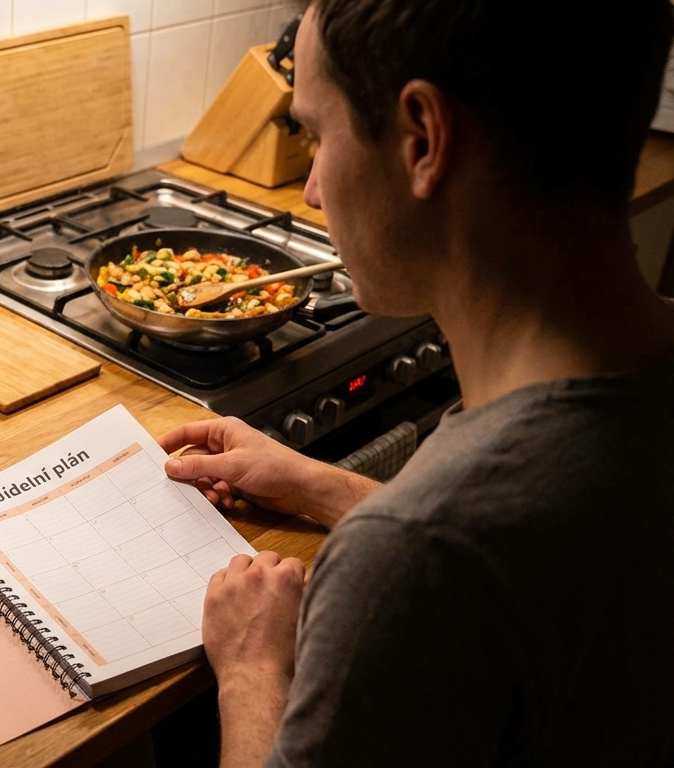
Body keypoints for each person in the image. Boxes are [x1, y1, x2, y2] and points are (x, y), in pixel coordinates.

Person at [157, 0, 674, 764]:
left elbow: (448, 547)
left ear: (424, 141)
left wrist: (250, 669)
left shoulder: (409, 561)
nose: (312, 191)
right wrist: (320, 486)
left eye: (316, 135)